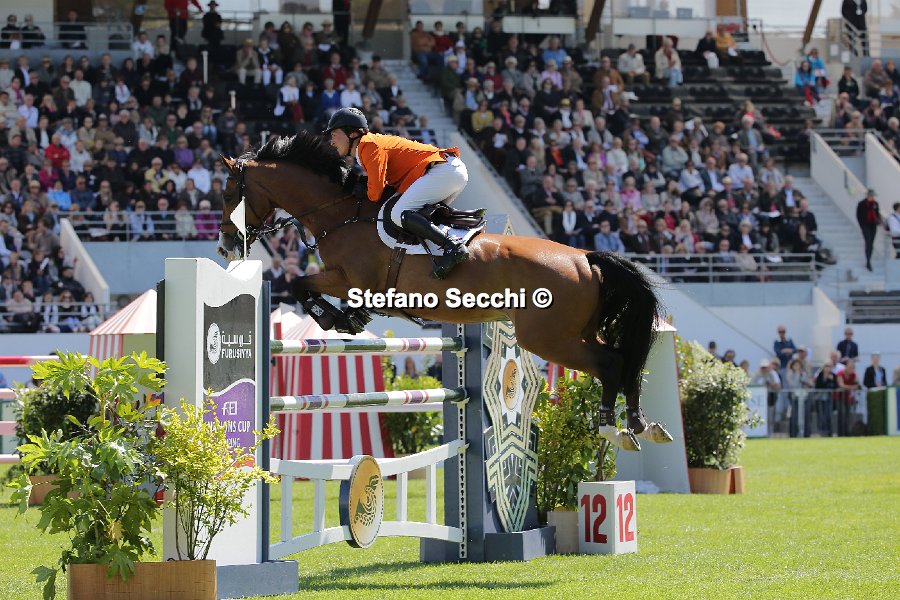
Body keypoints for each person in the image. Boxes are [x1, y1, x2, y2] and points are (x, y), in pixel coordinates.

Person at [323, 107, 472, 279]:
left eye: (334, 134)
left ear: (352, 133)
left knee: (398, 213)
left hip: (443, 171)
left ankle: (454, 247)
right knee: (412, 219)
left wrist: (359, 189)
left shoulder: (368, 145)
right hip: (448, 171)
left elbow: (375, 194)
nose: (332, 142)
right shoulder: (368, 146)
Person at [856, 188, 882, 271]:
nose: (872, 197)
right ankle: (868, 261)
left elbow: (877, 214)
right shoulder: (862, 204)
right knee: (868, 242)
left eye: (872, 196)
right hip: (865, 225)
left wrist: (879, 221)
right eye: (870, 195)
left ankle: (869, 259)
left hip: (873, 225)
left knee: (871, 243)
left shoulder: (875, 204)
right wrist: (861, 225)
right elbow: (858, 215)